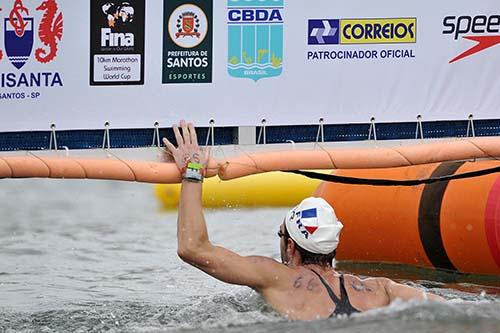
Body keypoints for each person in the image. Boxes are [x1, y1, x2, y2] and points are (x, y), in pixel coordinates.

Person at [163, 120, 444, 321]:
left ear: (291, 247)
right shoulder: (379, 289)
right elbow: (447, 307)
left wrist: (193, 170)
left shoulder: (275, 278)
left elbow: (193, 248)